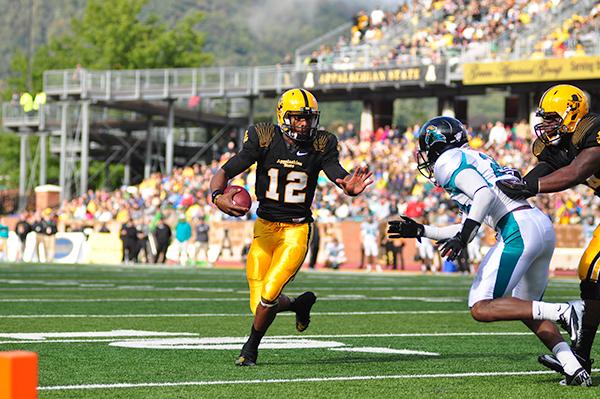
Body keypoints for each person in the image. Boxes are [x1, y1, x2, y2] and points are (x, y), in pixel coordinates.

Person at [388, 116, 591, 386]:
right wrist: (422, 231)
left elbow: (483, 196)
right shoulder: (474, 158)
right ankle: (574, 367)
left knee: (481, 307)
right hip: (536, 224)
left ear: (435, 143)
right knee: (527, 309)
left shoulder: (447, 161)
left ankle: (566, 312)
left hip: (517, 229)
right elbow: (472, 217)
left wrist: (464, 237)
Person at [209, 88, 373, 366]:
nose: (304, 124)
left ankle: (250, 348)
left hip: (296, 230)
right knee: (259, 302)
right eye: (298, 118)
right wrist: (216, 195)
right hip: (264, 228)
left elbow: (337, 173)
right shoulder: (264, 138)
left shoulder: (321, 144)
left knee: (269, 293)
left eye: (308, 118)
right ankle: (298, 303)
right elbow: (226, 171)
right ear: (284, 116)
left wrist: (348, 184)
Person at [497, 84, 600, 381]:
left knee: (594, 267)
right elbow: (542, 170)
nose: (547, 124)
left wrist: (530, 188)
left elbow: (577, 172)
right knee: (591, 277)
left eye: (553, 117)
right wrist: (510, 200)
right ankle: (580, 356)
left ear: (572, 112)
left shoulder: (593, 132)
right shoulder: (562, 143)